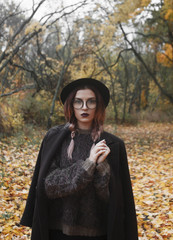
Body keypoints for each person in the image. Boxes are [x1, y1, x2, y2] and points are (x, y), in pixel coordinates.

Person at [20, 78, 138, 240]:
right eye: (78, 101)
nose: (84, 107)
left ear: (99, 106)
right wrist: (88, 164)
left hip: (98, 234)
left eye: (91, 101)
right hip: (57, 232)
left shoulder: (114, 145)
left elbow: (113, 200)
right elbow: (48, 186)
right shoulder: (55, 138)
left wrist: (103, 168)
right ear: (71, 105)